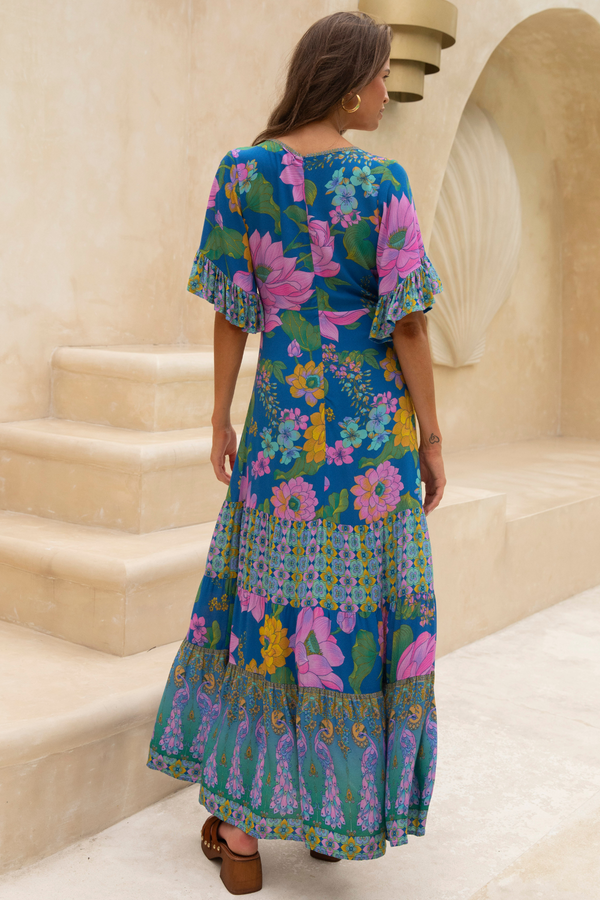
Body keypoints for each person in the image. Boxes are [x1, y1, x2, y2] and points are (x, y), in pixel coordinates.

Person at [147, 10, 446, 894]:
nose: (386, 91)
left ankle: (239, 836)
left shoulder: (242, 174)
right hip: (367, 456)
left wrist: (219, 416)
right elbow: (412, 326)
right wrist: (432, 435)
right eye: (381, 75)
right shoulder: (382, 183)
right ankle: (331, 814)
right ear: (349, 80)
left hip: (280, 444)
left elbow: (232, 307)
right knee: (350, 625)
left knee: (267, 620)